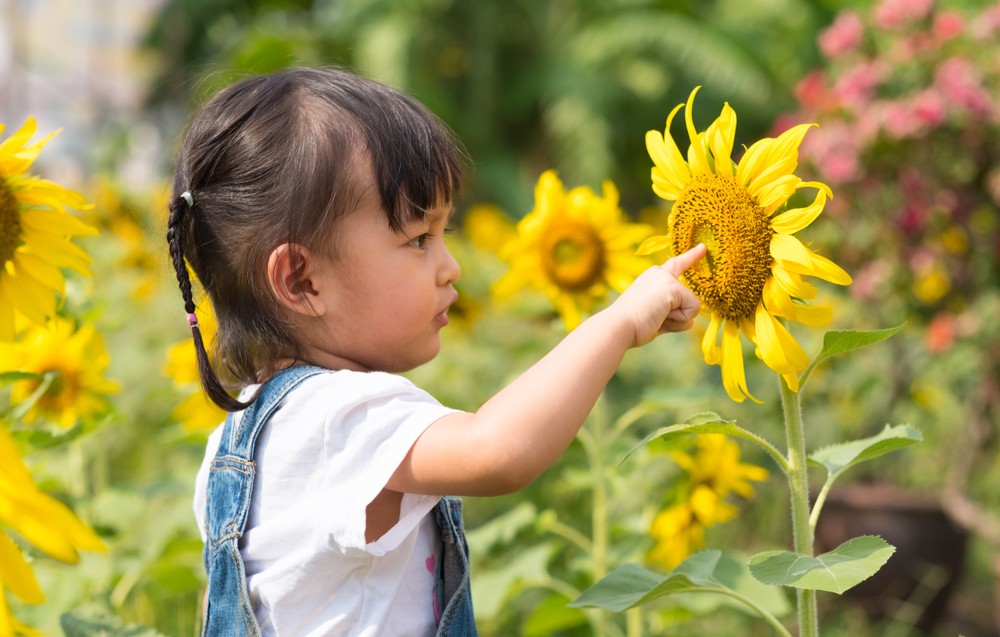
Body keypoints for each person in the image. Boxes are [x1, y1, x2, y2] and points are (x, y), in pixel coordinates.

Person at [167, 67, 705, 637]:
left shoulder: (237, 442)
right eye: (418, 239)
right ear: (301, 279)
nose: (450, 267)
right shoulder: (341, 420)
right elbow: (497, 451)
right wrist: (618, 323)